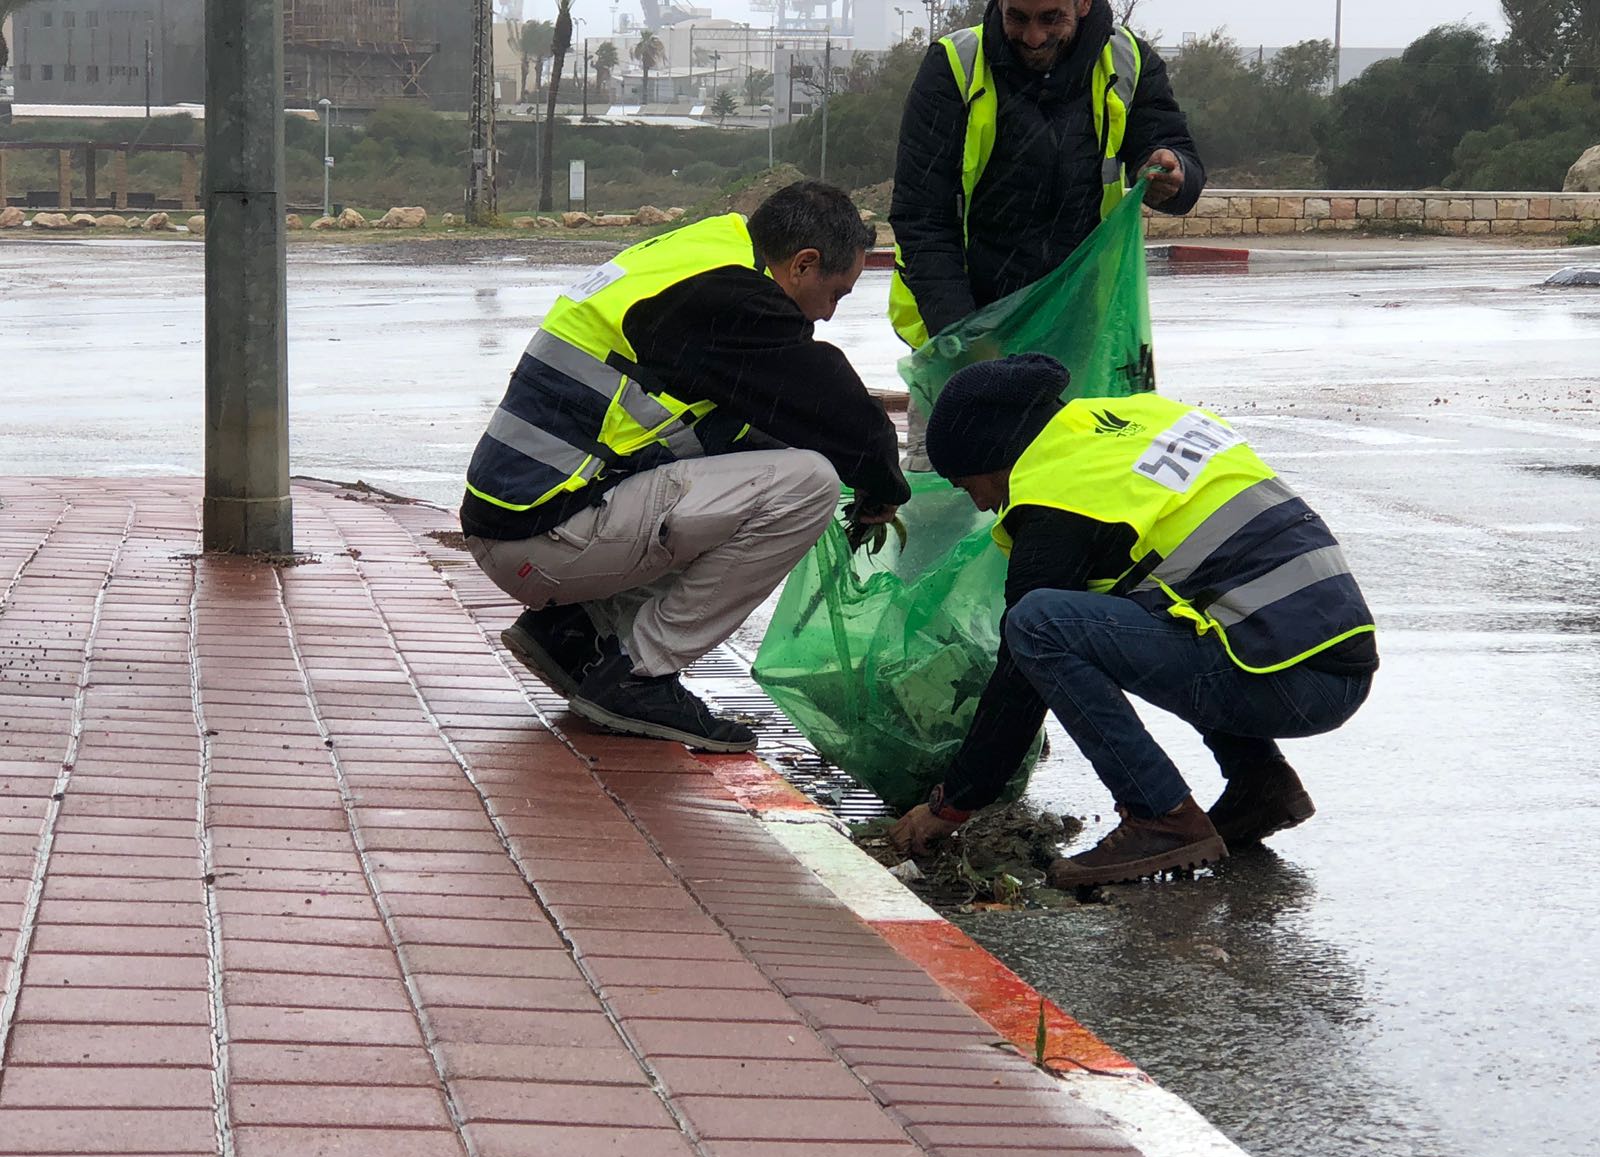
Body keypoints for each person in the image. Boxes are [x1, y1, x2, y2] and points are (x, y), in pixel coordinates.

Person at [888, 355, 1378, 887]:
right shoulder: (1128, 423)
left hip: (1293, 681)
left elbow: (1020, 674)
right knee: (1164, 603)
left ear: (994, 457)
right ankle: (1259, 784)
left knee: (1037, 625)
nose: (982, 506)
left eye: (968, 485)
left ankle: (1160, 816)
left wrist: (953, 802)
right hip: (1329, 655)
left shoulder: (1059, 492)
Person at [461, 181, 910, 754]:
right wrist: (882, 485)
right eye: (836, 294)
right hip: (544, 542)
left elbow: (747, 422)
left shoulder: (704, 252)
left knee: (755, 460)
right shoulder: (734, 295)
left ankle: (577, 633)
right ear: (803, 264)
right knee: (810, 485)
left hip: (519, 523)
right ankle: (640, 672)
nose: (827, 315)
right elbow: (839, 411)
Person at [888, 0, 1206, 467]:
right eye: (1017, 18)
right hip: (966, 329)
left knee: (1078, 497)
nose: (1033, 37)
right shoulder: (954, 66)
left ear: (1082, 4)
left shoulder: (1128, 61)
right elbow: (921, 214)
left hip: (1082, 339)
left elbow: (1173, 151)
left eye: (1050, 19)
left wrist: (1176, 175)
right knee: (954, 501)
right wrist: (967, 343)